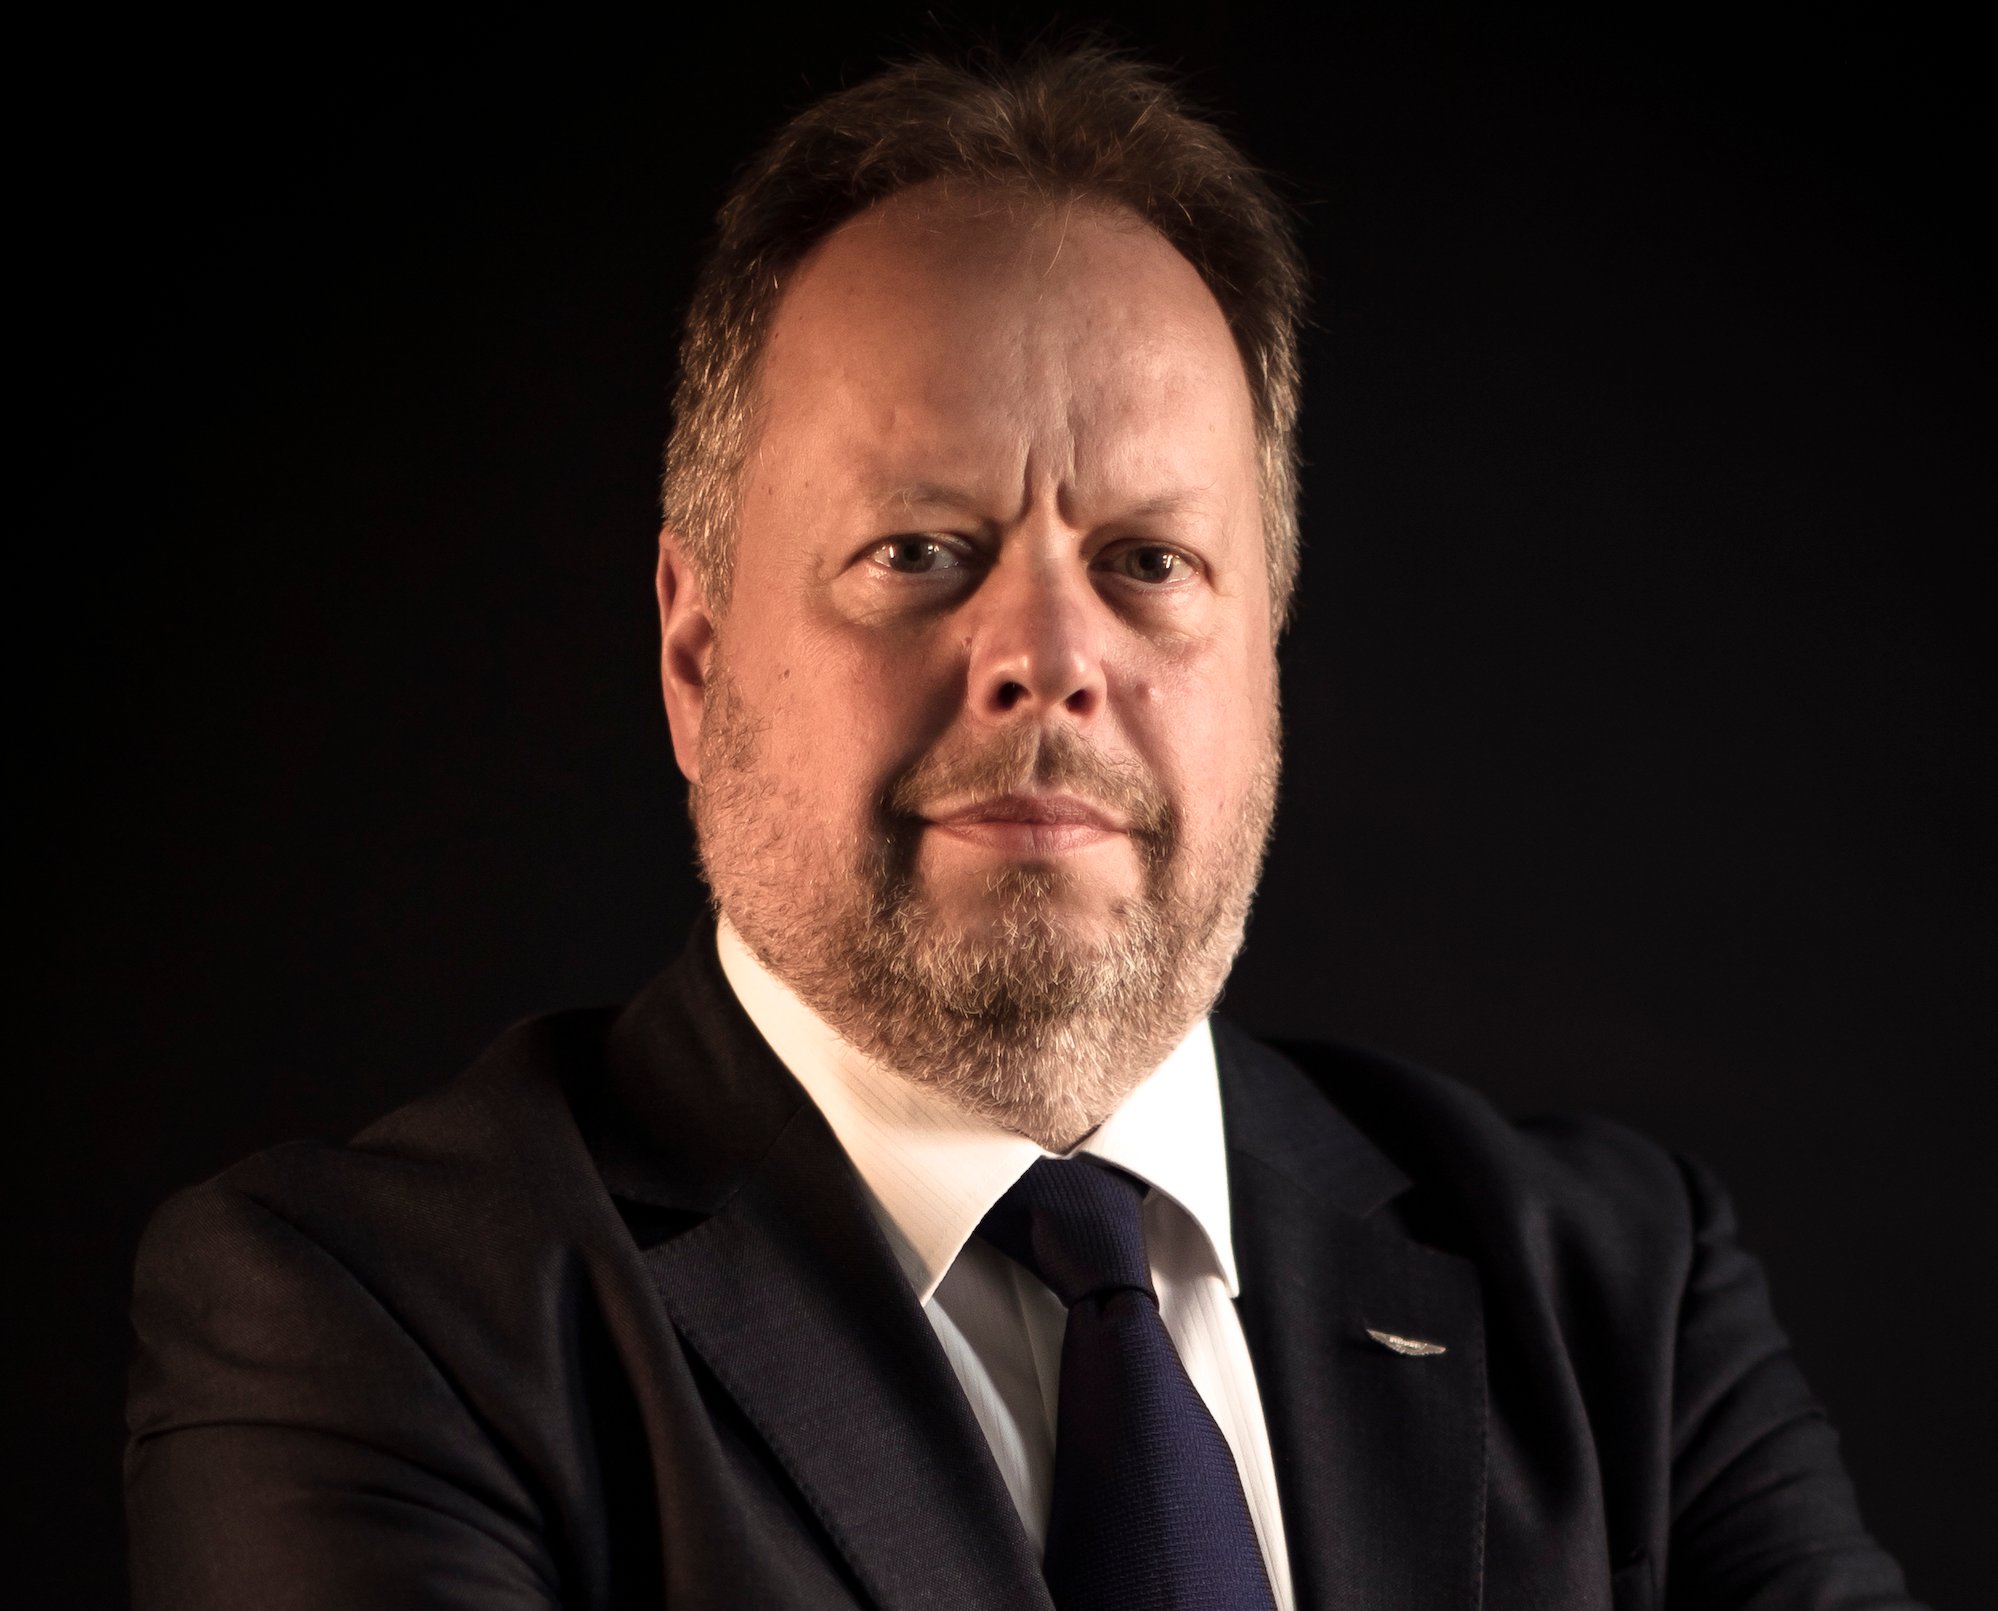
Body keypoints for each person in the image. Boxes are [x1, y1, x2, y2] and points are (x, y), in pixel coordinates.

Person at [124, 45, 1923, 1610]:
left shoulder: (1619, 1295)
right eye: (919, 551)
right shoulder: (371, 1325)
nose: (1050, 658)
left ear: (1266, 665)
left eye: (1148, 563)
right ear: (692, 653)